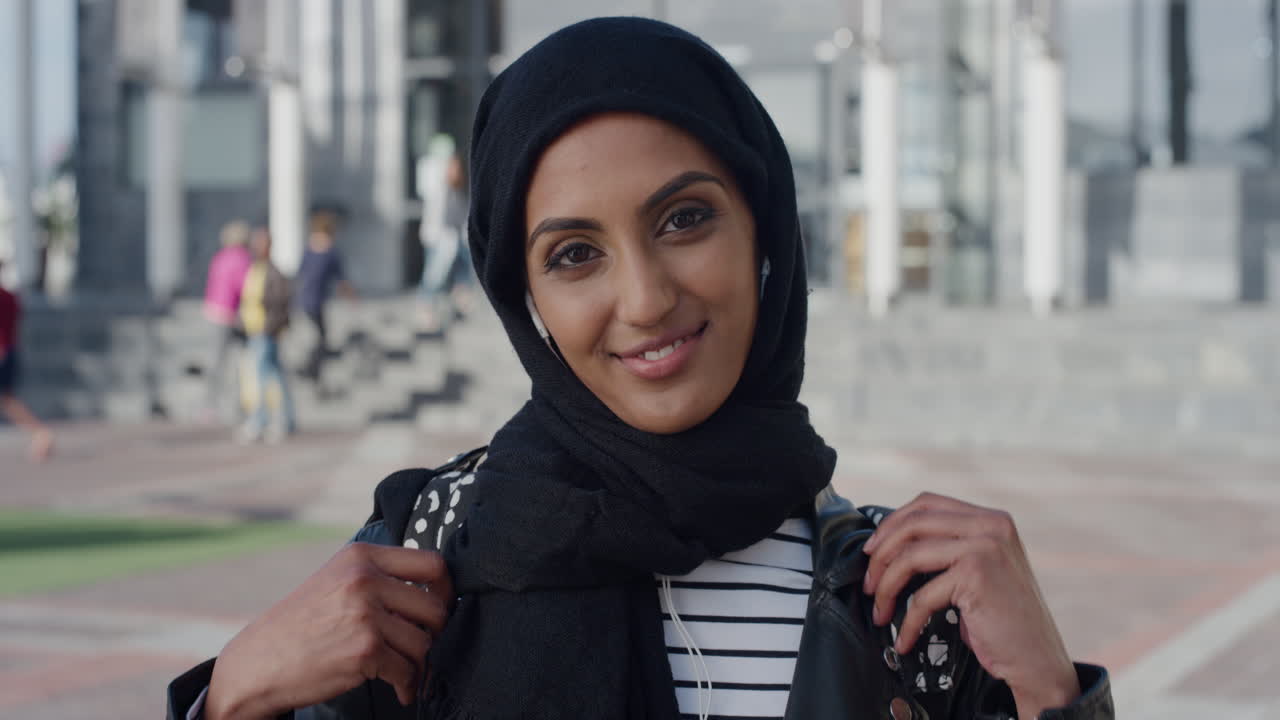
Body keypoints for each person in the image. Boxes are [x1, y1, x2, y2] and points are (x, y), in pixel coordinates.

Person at [169, 18, 1113, 720]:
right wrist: (234, 694)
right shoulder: (425, 565)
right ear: (523, 297)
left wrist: (1050, 691)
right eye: (575, 254)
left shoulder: (906, 600)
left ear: (765, 232)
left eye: (684, 219)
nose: (648, 298)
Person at [237, 225, 296, 444]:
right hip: (254, 331)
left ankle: (260, 420)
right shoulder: (255, 269)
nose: (255, 247)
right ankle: (286, 419)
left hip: (265, 332)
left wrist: (270, 328)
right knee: (275, 376)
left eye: (259, 243)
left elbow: (280, 304)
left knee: (262, 378)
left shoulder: (274, 272)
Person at [0, 257, 53, 462]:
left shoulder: (4, 297)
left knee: (7, 400)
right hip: (11, 350)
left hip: (3, 351)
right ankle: (40, 434)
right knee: (7, 400)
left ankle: (40, 434)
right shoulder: (12, 297)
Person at [295, 212, 356, 386]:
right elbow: (341, 279)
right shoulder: (330, 253)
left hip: (305, 299)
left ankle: (312, 369)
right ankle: (312, 369)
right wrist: (352, 297)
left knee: (319, 336)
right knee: (321, 337)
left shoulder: (309, 249)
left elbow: (301, 274)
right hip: (315, 300)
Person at [202, 220, 253, 420]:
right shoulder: (243, 259)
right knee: (241, 361)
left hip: (214, 311)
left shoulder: (219, 258)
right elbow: (244, 288)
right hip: (233, 314)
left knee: (217, 361)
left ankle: (209, 404)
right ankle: (239, 404)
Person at [417, 140, 470, 332]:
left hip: (454, 239)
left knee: (463, 271)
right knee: (433, 278)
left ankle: (458, 303)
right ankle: (426, 311)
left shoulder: (458, 192)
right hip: (439, 239)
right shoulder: (438, 190)